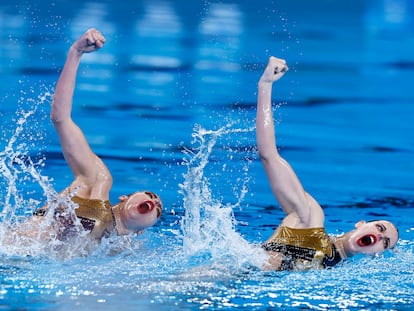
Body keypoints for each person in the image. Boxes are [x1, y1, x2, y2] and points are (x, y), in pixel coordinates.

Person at [13, 28, 163, 242]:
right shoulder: (97, 182)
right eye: (151, 196)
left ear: (142, 231)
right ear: (124, 198)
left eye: (158, 210)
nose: (154, 203)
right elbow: (60, 118)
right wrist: (76, 52)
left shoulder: (121, 253)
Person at [256, 56, 399, 271]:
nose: (379, 236)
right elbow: (269, 155)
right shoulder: (310, 218)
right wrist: (265, 85)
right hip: (226, 277)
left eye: (384, 242)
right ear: (361, 224)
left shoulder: (334, 268)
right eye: (379, 228)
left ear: (377, 254)